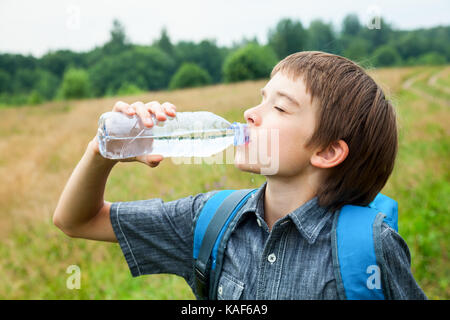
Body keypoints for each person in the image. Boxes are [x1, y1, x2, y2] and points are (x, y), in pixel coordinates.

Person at [53, 51, 427, 299]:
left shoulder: (370, 247)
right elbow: (77, 220)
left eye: (279, 107)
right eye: (262, 97)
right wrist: (102, 153)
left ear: (327, 151)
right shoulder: (208, 221)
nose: (251, 113)